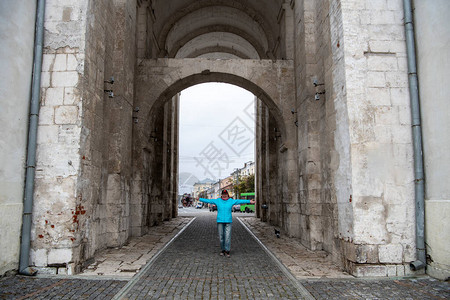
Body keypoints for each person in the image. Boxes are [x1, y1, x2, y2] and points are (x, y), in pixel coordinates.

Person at [199, 189, 255, 257]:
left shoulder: (231, 201)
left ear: (227, 195)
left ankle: (227, 250)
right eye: (223, 194)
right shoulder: (218, 201)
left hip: (228, 221)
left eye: (225, 194)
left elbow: (240, 201)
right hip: (220, 221)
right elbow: (209, 201)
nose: (224, 195)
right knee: (221, 237)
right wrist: (199, 199)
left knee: (227, 237)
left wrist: (249, 201)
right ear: (221, 195)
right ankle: (222, 250)